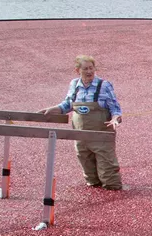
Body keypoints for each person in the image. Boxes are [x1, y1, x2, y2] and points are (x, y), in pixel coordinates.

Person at [39, 55, 124, 190]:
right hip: (80, 135)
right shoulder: (74, 85)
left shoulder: (104, 85)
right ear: (77, 70)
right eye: (85, 69)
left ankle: (115, 198)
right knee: (89, 173)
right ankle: (96, 199)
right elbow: (68, 104)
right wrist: (53, 109)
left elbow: (115, 107)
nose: (89, 72)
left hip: (100, 134)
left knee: (108, 173)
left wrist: (115, 118)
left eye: (91, 68)